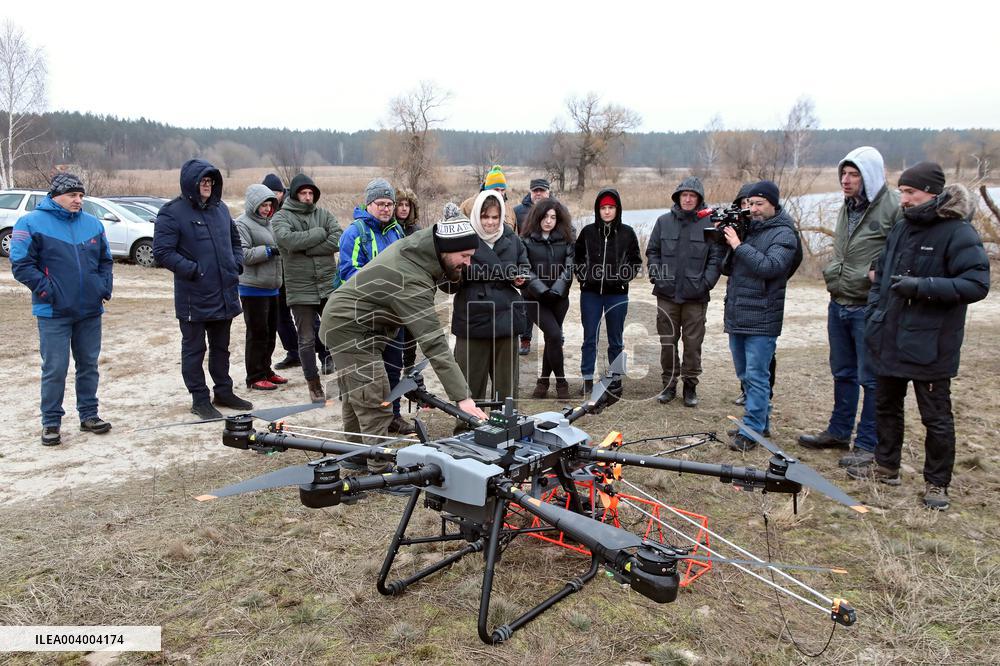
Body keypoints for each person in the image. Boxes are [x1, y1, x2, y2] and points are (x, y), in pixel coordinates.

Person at [847, 163, 990, 511]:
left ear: (932, 192)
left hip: (931, 344)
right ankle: (886, 466)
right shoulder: (901, 227)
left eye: (911, 192)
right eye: (902, 191)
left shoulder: (958, 232)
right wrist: (876, 311)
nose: (904, 198)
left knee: (936, 417)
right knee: (886, 406)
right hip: (889, 335)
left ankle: (937, 483)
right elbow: (881, 276)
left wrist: (923, 287)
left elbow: (977, 284)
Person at [320, 212, 488, 470]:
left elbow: (446, 276)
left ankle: (354, 455)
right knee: (374, 398)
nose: (468, 262)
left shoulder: (423, 251)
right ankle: (381, 470)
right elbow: (434, 344)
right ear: (446, 249)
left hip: (353, 324)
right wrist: (462, 397)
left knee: (358, 396)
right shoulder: (410, 277)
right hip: (350, 329)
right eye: (464, 256)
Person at [799, 147, 900, 466]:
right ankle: (839, 432)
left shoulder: (892, 206)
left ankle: (868, 444)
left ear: (869, 175)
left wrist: (878, 274)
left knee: (870, 378)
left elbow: (903, 249)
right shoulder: (848, 206)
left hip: (869, 305)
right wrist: (833, 271)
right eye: (843, 173)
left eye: (854, 174)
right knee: (842, 372)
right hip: (839, 301)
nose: (846, 179)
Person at [10, 173, 114, 445]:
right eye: (72, 195)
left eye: (81, 196)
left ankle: (89, 415)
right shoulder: (31, 222)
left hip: (89, 310)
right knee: (55, 368)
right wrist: (48, 291)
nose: (78, 200)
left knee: (89, 365)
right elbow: (21, 265)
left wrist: (103, 288)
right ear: (55, 196)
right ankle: (51, 422)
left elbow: (105, 260)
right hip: (53, 311)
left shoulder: (92, 224)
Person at [153, 159, 252, 419]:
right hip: (193, 296)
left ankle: (224, 391)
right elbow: (162, 252)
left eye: (210, 182)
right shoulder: (172, 212)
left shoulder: (221, 210)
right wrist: (194, 270)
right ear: (191, 183)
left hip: (224, 293)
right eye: (202, 182)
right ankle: (199, 398)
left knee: (222, 348)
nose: (207, 186)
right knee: (195, 350)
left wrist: (236, 264)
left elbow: (235, 240)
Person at [722, 181, 799, 452]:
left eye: (758, 204)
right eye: (749, 203)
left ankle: (752, 430)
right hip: (738, 312)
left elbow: (770, 266)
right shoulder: (749, 230)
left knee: (757, 375)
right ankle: (758, 423)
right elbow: (729, 268)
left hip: (763, 317)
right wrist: (727, 243)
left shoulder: (784, 234)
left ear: (773, 204)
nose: (752, 209)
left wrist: (738, 245)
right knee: (744, 373)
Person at [338, 178, 415, 435]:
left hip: (394, 314)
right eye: (380, 203)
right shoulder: (355, 232)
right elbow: (348, 271)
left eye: (389, 204)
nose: (386, 209)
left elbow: (406, 265)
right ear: (369, 204)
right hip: (365, 314)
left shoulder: (396, 232)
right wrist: (380, 288)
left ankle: (393, 415)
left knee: (394, 368)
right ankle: (368, 424)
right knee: (370, 375)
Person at [646, 176, 725, 408]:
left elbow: (716, 256)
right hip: (667, 294)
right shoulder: (663, 222)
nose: (688, 199)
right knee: (668, 342)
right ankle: (668, 385)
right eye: (684, 195)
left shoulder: (710, 223)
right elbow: (652, 251)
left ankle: (690, 386)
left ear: (699, 199)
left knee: (692, 344)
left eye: (692, 195)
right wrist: (657, 276)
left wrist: (706, 283)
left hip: (695, 296)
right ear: (678, 198)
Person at [447, 191, 531, 407]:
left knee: (506, 389)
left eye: (495, 217)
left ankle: (507, 428)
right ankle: (465, 427)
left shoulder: (512, 239)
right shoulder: (463, 240)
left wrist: (521, 278)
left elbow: (525, 267)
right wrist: (506, 271)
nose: (490, 222)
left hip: (506, 321)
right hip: (473, 320)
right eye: (485, 217)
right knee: (469, 385)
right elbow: (458, 274)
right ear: (476, 215)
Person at [271, 173, 342, 403]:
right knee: (307, 339)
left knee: (337, 332)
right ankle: (313, 384)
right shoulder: (281, 217)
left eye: (311, 193)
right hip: (300, 288)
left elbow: (338, 238)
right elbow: (287, 241)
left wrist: (308, 249)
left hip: (327, 284)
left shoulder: (324, 214)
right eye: (304, 192)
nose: (308, 197)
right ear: (294, 194)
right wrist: (319, 235)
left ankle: (342, 379)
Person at [574, 188, 643, 398]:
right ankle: (587, 378)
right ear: (598, 209)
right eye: (603, 208)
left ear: (617, 209)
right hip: (591, 294)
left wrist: (622, 278)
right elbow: (576, 259)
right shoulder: (587, 232)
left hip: (617, 294)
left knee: (615, 339)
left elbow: (635, 261)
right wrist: (585, 277)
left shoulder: (627, 233)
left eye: (610, 207)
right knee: (589, 337)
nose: (606, 212)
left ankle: (615, 379)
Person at [235, 184, 288, 391]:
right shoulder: (241, 224)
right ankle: (254, 376)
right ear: (253, 205)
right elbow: (244, 255)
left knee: (270, 333)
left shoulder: (270, 224)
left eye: (269, 204)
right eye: (263, 205)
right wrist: (269, 250)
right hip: (252, 288)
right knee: (257, 333)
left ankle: (266, 370)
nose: (267, 209)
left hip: (272, 286)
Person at [520, 199, 575, 400]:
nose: (549, 221)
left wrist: (557, 290)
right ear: (537, 217)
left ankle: (543, 381)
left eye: (553, 217)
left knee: (551, 338)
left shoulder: (567, 239)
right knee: (554, 335)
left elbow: (569, 268)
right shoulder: (525, 240)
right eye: (545, 217)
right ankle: (561, 383)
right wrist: (542, 291)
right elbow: (525, 268)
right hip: (534, 299)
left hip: (560, 298)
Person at [263, 173, 301, 372]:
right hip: (276, 271)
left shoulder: (289, 209)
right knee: (280, 315)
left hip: (293, 269)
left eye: (273, 193)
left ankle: (326, 353)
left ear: (280, 192)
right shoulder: (268, 209)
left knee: (305, 315)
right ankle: (294, 352)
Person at [514, 178, 553, 355]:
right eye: (535, 190)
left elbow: (569, 233)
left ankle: (553, 336)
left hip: (550, 266)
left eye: (542, 190)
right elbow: (512, 237)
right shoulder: (518, 211)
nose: (538, 193)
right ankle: (525, 339)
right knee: (527, 305)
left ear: (548, 192)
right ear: (530, 192)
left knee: (551, 302)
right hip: (527, 265)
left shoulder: (557, 210)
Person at [394, 188, 422, 375]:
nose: (404, 208)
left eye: (407, 205)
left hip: (412, 287)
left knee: (412, 332)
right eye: (400, 204)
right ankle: (394, 369)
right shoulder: (389, 228)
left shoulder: (417, 231)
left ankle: (409, 368)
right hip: (394, 287)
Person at [460, 165, 518, 230]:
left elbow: (515, 237)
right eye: (496, 189)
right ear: (487, 189)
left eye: (502, 190)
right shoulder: (468, 206)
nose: (500, 193)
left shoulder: (509, 210)